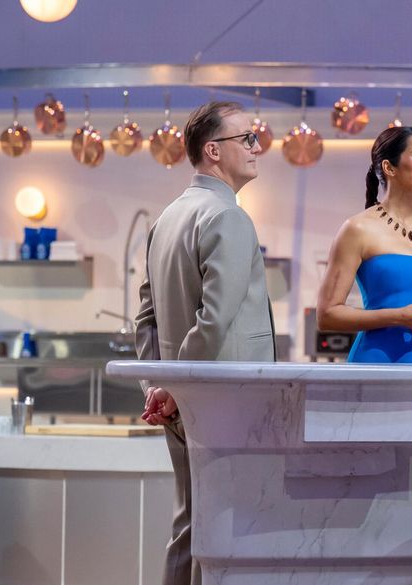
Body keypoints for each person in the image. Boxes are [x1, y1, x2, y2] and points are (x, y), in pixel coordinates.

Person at [135, 101, 276, 585]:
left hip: (182, 401)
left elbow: (146, 318)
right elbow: (214, 323)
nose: (258, 147)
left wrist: (158, 386)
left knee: (191, 525)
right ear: (213, 151)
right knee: (224, 533)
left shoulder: (168, 218)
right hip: (223, 400)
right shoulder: (227, 218)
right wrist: (174, 388)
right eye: (248, 139)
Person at [317, 126, 412, 363]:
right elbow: (327, 315)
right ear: (389, 167)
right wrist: (398, 316)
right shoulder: (358, 228)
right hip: (377, 365)